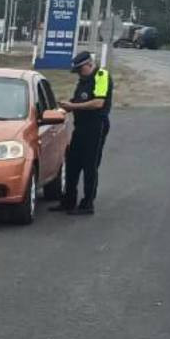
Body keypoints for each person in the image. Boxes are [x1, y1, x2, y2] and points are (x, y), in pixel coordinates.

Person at [51, 51, 113, 216]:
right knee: (72, 162)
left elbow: (98, 102)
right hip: (81, 126)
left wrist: (74, 107)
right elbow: (77, 100)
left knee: (90, 165)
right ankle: (68, 201)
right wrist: (63, 108)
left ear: (89, 64)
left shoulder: (101, 76)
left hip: (96, 126)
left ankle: (87, 204)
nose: (78, 73)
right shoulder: (83, 81)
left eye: (80, 69)